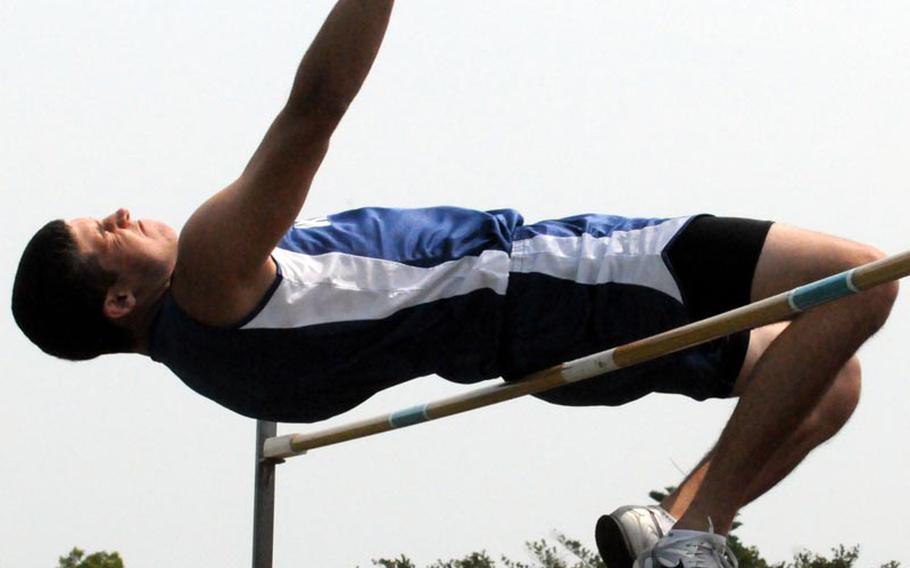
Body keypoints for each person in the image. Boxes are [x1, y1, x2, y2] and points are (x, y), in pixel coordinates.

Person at [10, 3, 898, 567]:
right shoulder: (207, 273)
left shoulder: (216, 371)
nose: (123, 213)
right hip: (550, 280)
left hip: (524, 343)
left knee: (829, 377)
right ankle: (697, 540)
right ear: (118, 301)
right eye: (105, 232)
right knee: (854, 281)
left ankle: (673, 522)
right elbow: (311, 114)